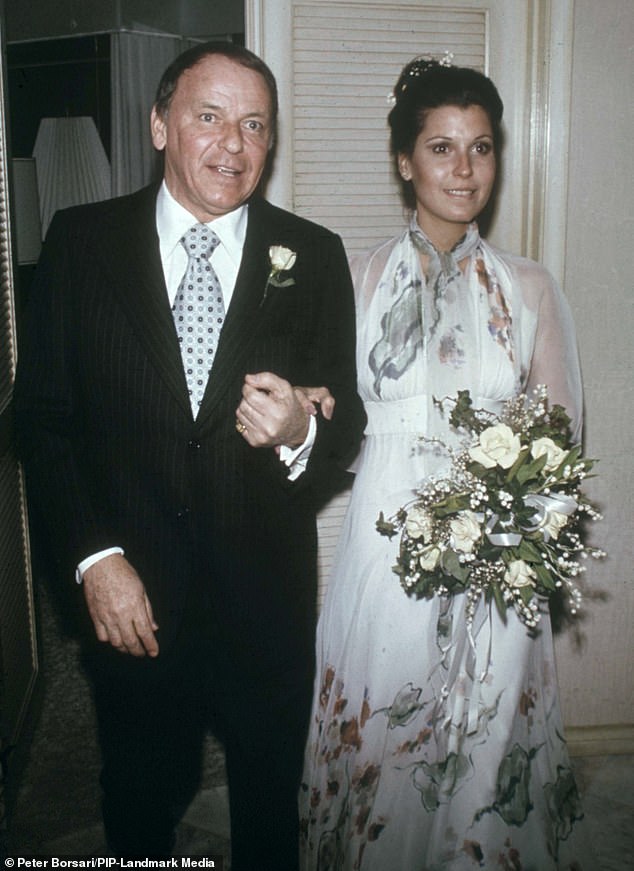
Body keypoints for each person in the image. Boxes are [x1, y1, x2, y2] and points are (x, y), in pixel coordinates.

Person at [14, 41, 365, 869]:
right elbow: (43, 419)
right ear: (160, 125)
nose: (233, 145)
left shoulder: (311, 254)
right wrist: (95, 558)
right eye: (209, 117)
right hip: (132, 597)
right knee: (138, 794)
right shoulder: (80, 242)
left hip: (263, 596)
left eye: (254, 126)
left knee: (271, 809)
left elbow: (343, 423)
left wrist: (300, 434)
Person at [299, 57, 593, 870]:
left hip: (498, 557)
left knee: (484, 752)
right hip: (386, 549)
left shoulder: (529, 289)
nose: (464, 170)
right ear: (404, 160)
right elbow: (334, 433)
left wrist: (509, 524)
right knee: (384, 741)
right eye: (441, 147)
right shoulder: (354, 281)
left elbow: (558, 440)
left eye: (482, 147)